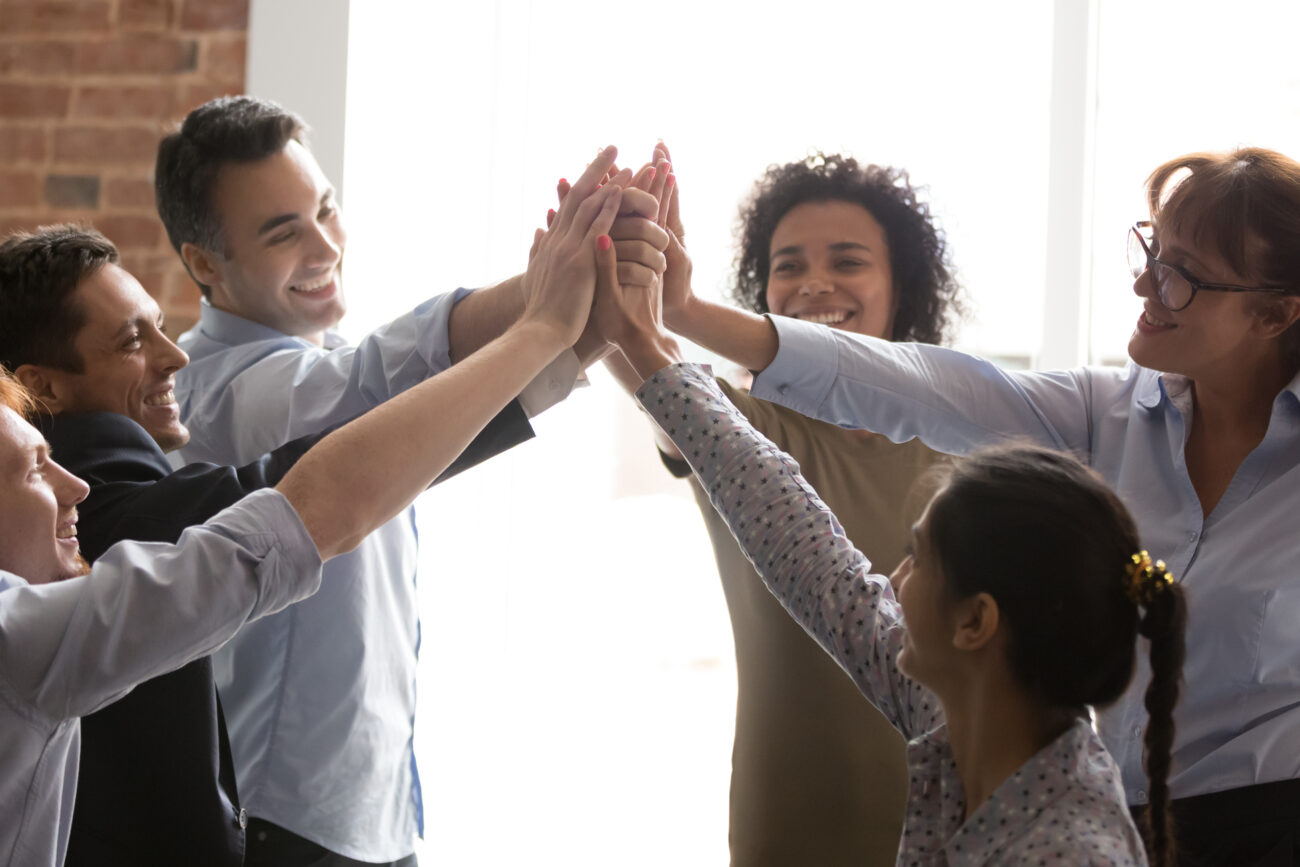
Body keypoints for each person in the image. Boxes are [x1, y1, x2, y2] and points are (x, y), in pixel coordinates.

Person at [656, 147, 1300, 865]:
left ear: (1274, 313)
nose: (1147, 283)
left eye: (1180, 275)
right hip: (1111, 804)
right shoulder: (1106, 414)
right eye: (1151, 249)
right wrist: (680, 314)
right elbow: (914, 386)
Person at [0, 153, 623, 867]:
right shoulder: (106, 471)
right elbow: (320, 479)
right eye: (132, 340)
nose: (174, 357)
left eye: (326, 210)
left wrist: (570, 338)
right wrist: (544, 326)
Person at [155, 97, 666, 865]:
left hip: (379, 811)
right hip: (283, 821)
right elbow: (366, 382)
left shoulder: (324, 362)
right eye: (283, 231)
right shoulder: (215, 393)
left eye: (324, 208)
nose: (325, 244)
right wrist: (541, 291)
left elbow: (464, 397)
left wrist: (593, 284)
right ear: (202, 263)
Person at [600, 245, 1188, 866]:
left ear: (976, 622)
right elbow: (800, 541)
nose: (889, 581)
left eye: (917, 560)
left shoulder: (1068, 851)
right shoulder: (961, 711)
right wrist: (637, 338)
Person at [606, 150, 961, 865]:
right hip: (784, 832)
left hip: (951, 830)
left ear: (903, 285)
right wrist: (627, 269)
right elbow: (649, 364)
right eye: (789, 264)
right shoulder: (741, 428)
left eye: (848, 260)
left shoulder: (965, 449)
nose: (814, 283)